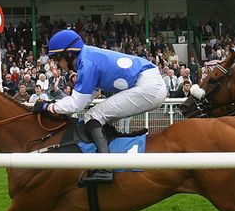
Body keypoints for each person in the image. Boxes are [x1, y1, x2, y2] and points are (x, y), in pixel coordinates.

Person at [35, 29, 167, 184]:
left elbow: (76, 104)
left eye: (57, 58)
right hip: (148, 82)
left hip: (149, 86)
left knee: (93, 115)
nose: (57, 63)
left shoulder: (86, 62)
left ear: (69, 54)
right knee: (95, 115)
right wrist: (55, 106)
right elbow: (85, 97)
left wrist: (48, 107)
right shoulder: (87, 57)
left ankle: (105, 168)